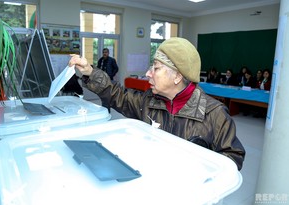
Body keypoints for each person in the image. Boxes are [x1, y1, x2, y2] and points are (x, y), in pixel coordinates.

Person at [69, 37, 245, 170]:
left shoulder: (214, 114)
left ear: (177, 76)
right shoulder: (148, 101)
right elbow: (117, 95)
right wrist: (90, 72)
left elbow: (232, 157)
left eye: (156, 68)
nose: (148, 73)